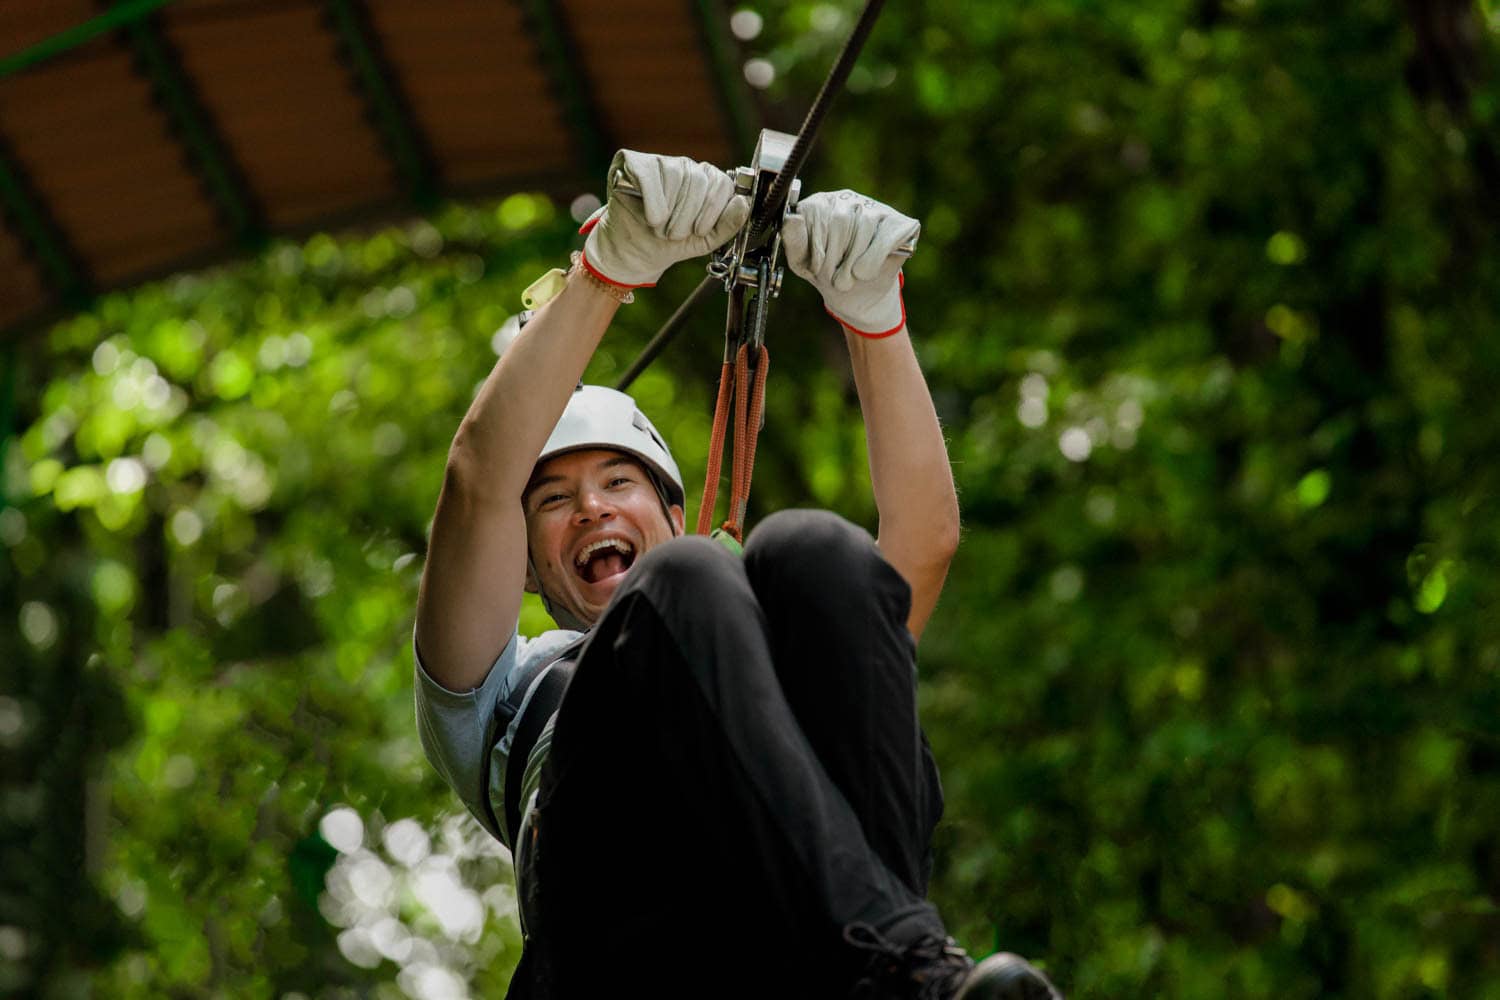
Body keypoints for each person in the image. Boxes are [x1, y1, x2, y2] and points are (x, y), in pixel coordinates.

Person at [413, 151, 1062, 999]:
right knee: (685, 584)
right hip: (618, 954)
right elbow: (477, 479)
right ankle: (905, 964)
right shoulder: (500, 691)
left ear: (673, 513)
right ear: (526, 565)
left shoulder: (756, 642)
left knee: (817, 554)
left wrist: (874, 321)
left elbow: (921, 545)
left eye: (619, 483)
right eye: (554, 501)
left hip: (797, 953)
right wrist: (607, 272)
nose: (593, 510)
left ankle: (893, 971)